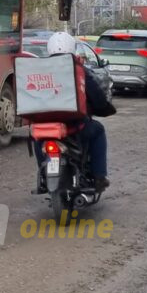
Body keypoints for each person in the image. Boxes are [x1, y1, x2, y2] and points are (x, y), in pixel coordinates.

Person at [43, 31, 116, 191]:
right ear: (72, 49)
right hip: (75, 128)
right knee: (98, 130)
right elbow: (96, 96)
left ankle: (43, 174)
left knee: (36, 138)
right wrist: (105, 108)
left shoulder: (40, 70)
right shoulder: (79, 70)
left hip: (45, 129)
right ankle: (99, 176)